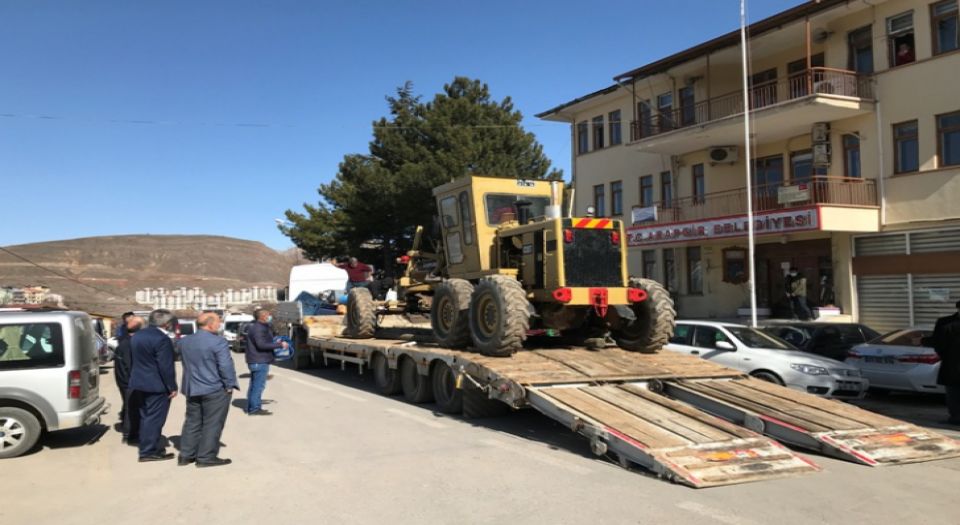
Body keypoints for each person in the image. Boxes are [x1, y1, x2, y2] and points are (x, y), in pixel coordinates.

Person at [177, 312, 238, 467]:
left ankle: (186, 455)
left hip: (192, 388)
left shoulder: (185, 342)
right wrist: (229, 384)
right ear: (210, 324)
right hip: (214, 388)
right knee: (213, 423)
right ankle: (205, 457)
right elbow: (225, 365)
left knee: (192, 422)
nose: (220, 325)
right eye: (218, 322)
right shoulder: (218, 342)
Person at [128, 309, 178, 462]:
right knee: (154, 419)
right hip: (156, 385)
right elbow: (165, 366)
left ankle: (149, 446)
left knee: (145, 417)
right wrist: (172, 386)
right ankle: (148, 451)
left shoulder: (137, 336)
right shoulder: (162, 339)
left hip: (139, 382)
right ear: (166, 323)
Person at [922, 301, 960, 425]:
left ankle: (956, 418)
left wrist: (923, 340)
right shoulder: (945, 323)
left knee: (953, 395)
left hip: (952, 366)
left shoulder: (945, 323)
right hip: (952, 366)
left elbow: (939, 343)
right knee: (953, 394)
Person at [244, 308, 287, 416]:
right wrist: (280, 345)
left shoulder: (259, 327)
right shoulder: (258, 328)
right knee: (258, 386)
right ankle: (254, 409)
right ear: (263, 316)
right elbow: (261, 345)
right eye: (268, 314)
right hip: (259, 361)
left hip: (257, 360)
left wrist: (275, 341)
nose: (270, 316)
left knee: (254, 385)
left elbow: (264, 341)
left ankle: (252, 406)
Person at [114, 315, 144, 444]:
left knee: (129, 406)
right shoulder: (129, 344)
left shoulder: (125, 341)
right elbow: (130, 365)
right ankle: (129, 434)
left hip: (124, 380)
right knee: (131, 407)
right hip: (128, 381)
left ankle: (130, 432)